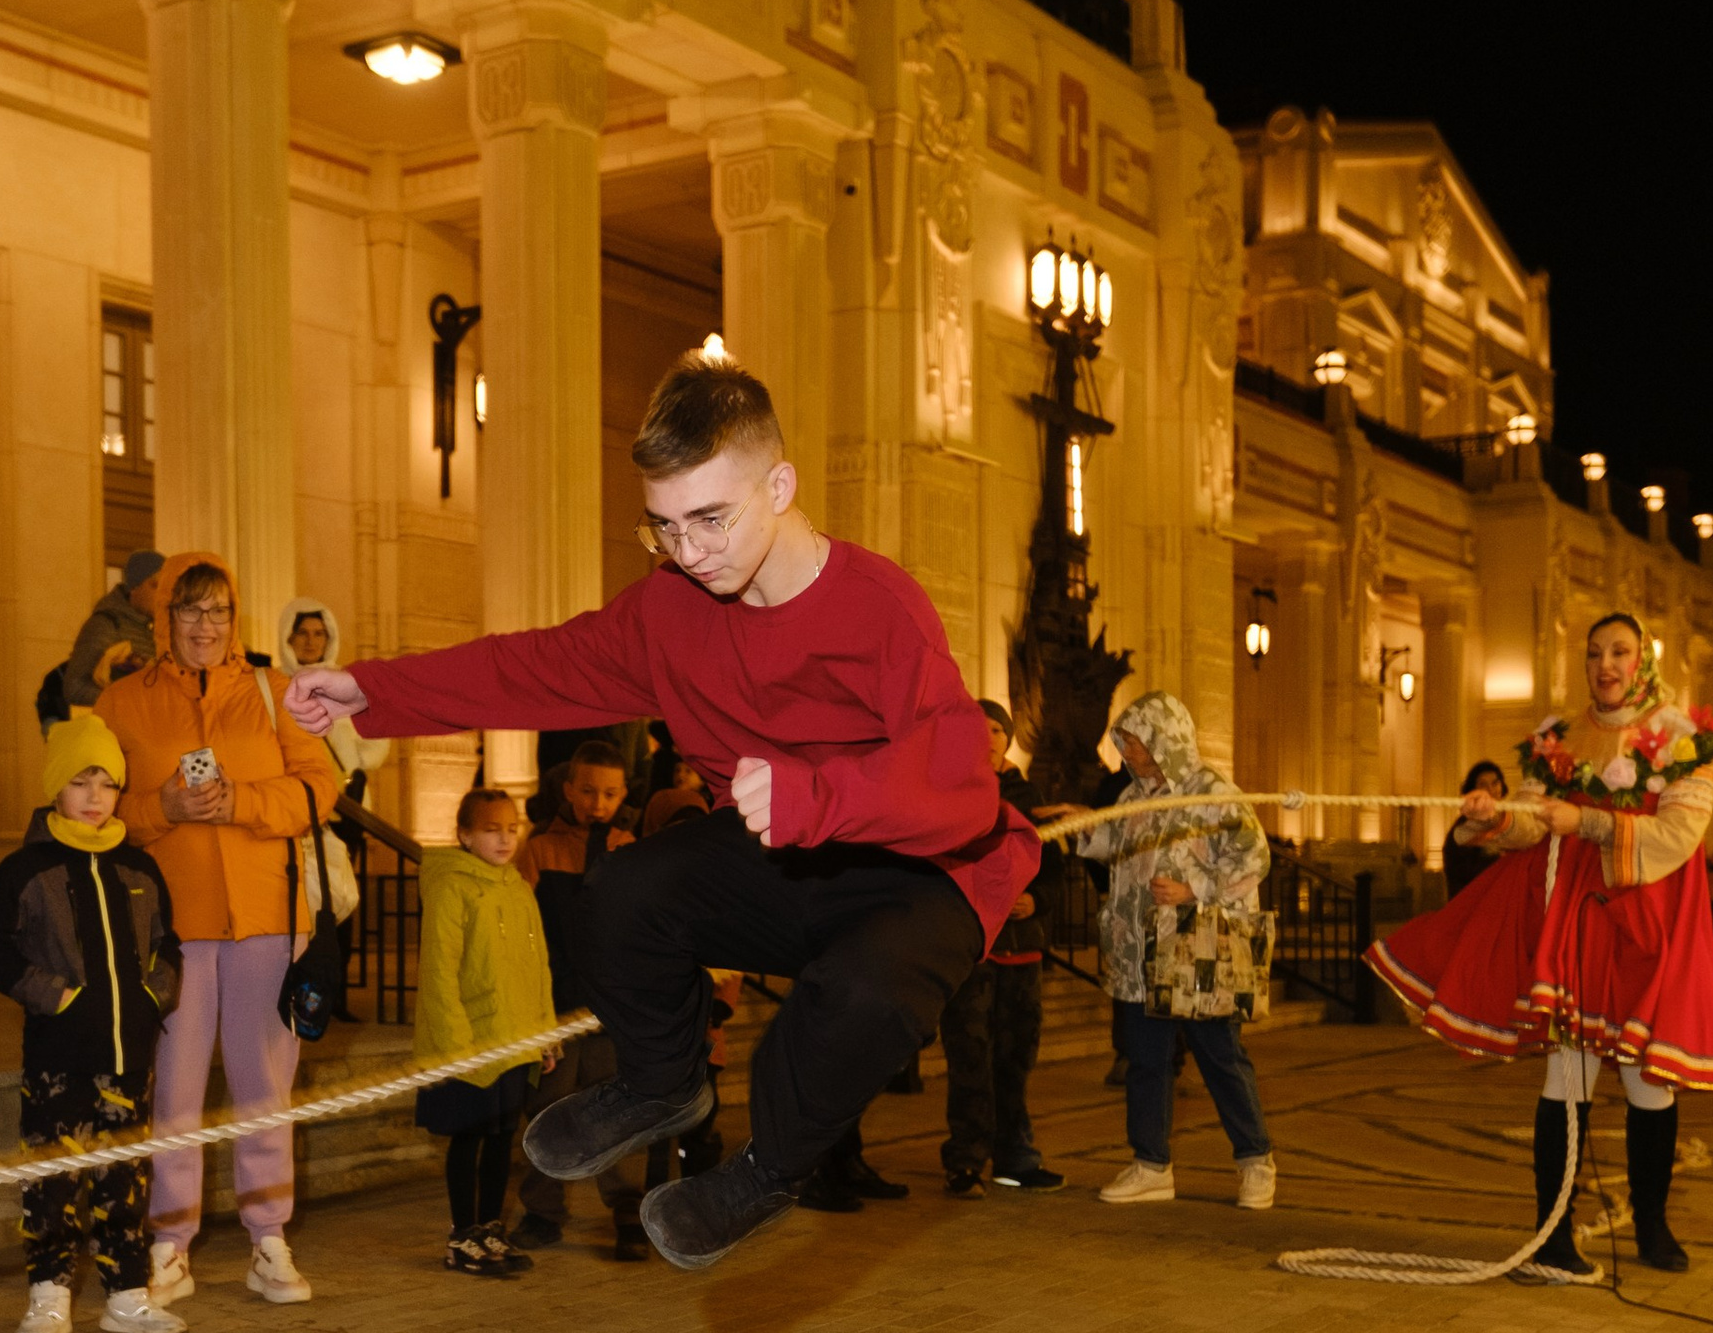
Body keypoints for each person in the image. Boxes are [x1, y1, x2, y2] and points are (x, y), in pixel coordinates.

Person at [285, 351, 1033, 1272]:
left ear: (781, 485)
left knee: (858, 994)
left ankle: (763, 1173)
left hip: (923, 870)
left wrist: (818, 795)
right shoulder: (672, 610)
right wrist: (372, 691)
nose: (689, 552)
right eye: (665, 528)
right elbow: (536, 665)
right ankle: (660, 1085)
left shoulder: (879, 606)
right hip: (786, 853)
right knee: (625, 889)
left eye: (711, 519)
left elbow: (960, 786)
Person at [1372, 613, 1713, 1276]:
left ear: (1642, 659)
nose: (1606, 664)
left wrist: (1588, 821)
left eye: (1620, 651)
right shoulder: (1560, 737)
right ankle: (1553, 1231)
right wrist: (1495, 815)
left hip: (1647, 927)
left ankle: (1652, 1225)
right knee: (1568, 1077)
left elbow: (1681, 835)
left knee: (1650, 1083)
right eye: (1595, 653)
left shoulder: (1680, 737)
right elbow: (1531, 827)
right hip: (1576, 928)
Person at [107, 552, 341, 1306]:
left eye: (217, 612)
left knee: (263, 1089)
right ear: (162, 619)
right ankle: (169, 1245)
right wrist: (160, 811)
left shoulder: (275, 694)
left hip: (266, 921)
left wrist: (240, 799)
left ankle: (268, 1238)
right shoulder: (120, 704)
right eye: (188, 610)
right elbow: (93, 809)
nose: (204, 627)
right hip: (168, 929)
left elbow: (319, 788)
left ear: (234, 619)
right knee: (173, 1093)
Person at [0, 713, 181, 1333]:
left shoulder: (141, 870)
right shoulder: (26, 870)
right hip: (58, 1056)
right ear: (53, 788)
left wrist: (153, 997)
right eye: (80, 782)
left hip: (128, 1056)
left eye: (107, 783)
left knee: (125, 1178)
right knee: (52, 1179)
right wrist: (54, 997)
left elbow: (167, 948)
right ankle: (49, 1293)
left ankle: (127, 1294)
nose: (95, 797)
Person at [1065, 692, 1277, 1212]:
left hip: (1196, 949)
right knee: (1145, 1059)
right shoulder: (1132, 796)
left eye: (1135, 740)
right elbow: (1114, 848)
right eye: (1124, 741)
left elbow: (1255, 858)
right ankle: (1151, 1164)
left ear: (1165, 740)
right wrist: (1082, 827)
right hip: (1140, 952)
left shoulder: (1213, 792)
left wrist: (1195, 890)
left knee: (1220, 1056)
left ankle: (1256, 1161)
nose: (1127, 751)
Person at [512, 739, 646, 1257]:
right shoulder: (541, 846)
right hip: (558, 1004)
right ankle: (542, 1211)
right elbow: (525, 927)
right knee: (550, 1110)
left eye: (609, 794)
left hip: (613, 1007)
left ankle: (628, 1211)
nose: (597, 803)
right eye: (587, 791)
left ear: (622, 795)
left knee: (617, 1109)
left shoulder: (629, 845)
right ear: (568, 789)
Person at [413, 787, 556, 1276]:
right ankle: (462, 1236)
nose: (504, 838)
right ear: (465, 836)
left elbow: (537, 965)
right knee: (469, 1137)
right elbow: (439, 972)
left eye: (511, 828)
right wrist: (457, 1049)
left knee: (500, 1138)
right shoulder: (452, 886)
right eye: (491, 829)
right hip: (471, 1042)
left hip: (513, 1039)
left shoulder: (515, 886)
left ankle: (491, 1229)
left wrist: (544, 1032)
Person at [940, 701, 1062, 1197]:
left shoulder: (1029, 797)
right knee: (970, 1056)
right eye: (980, 727)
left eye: (997, 729)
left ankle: (1016, 1156)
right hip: (974, 950)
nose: (988, 736)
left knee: (1015, 1058)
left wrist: (1035, 900)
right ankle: (966, 1160)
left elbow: (1050, 865)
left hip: (1022, 951)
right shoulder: (950, 791)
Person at [64, 551, 164, 706]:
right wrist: (125, 704)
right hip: (115, 727)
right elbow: (75, 688)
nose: (163, 595)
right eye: (155, 585)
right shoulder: (106, 624)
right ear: (134, 587)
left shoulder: (164, 630)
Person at [1444, 760, 1508, 900]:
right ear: (1472, 790)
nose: (1491, 790)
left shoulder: (1507, 820)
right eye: (1483, 785)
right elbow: (1461, 870)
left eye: (1495, 783)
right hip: (1474, 900)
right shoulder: (1464, 827)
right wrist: (1501, 859)